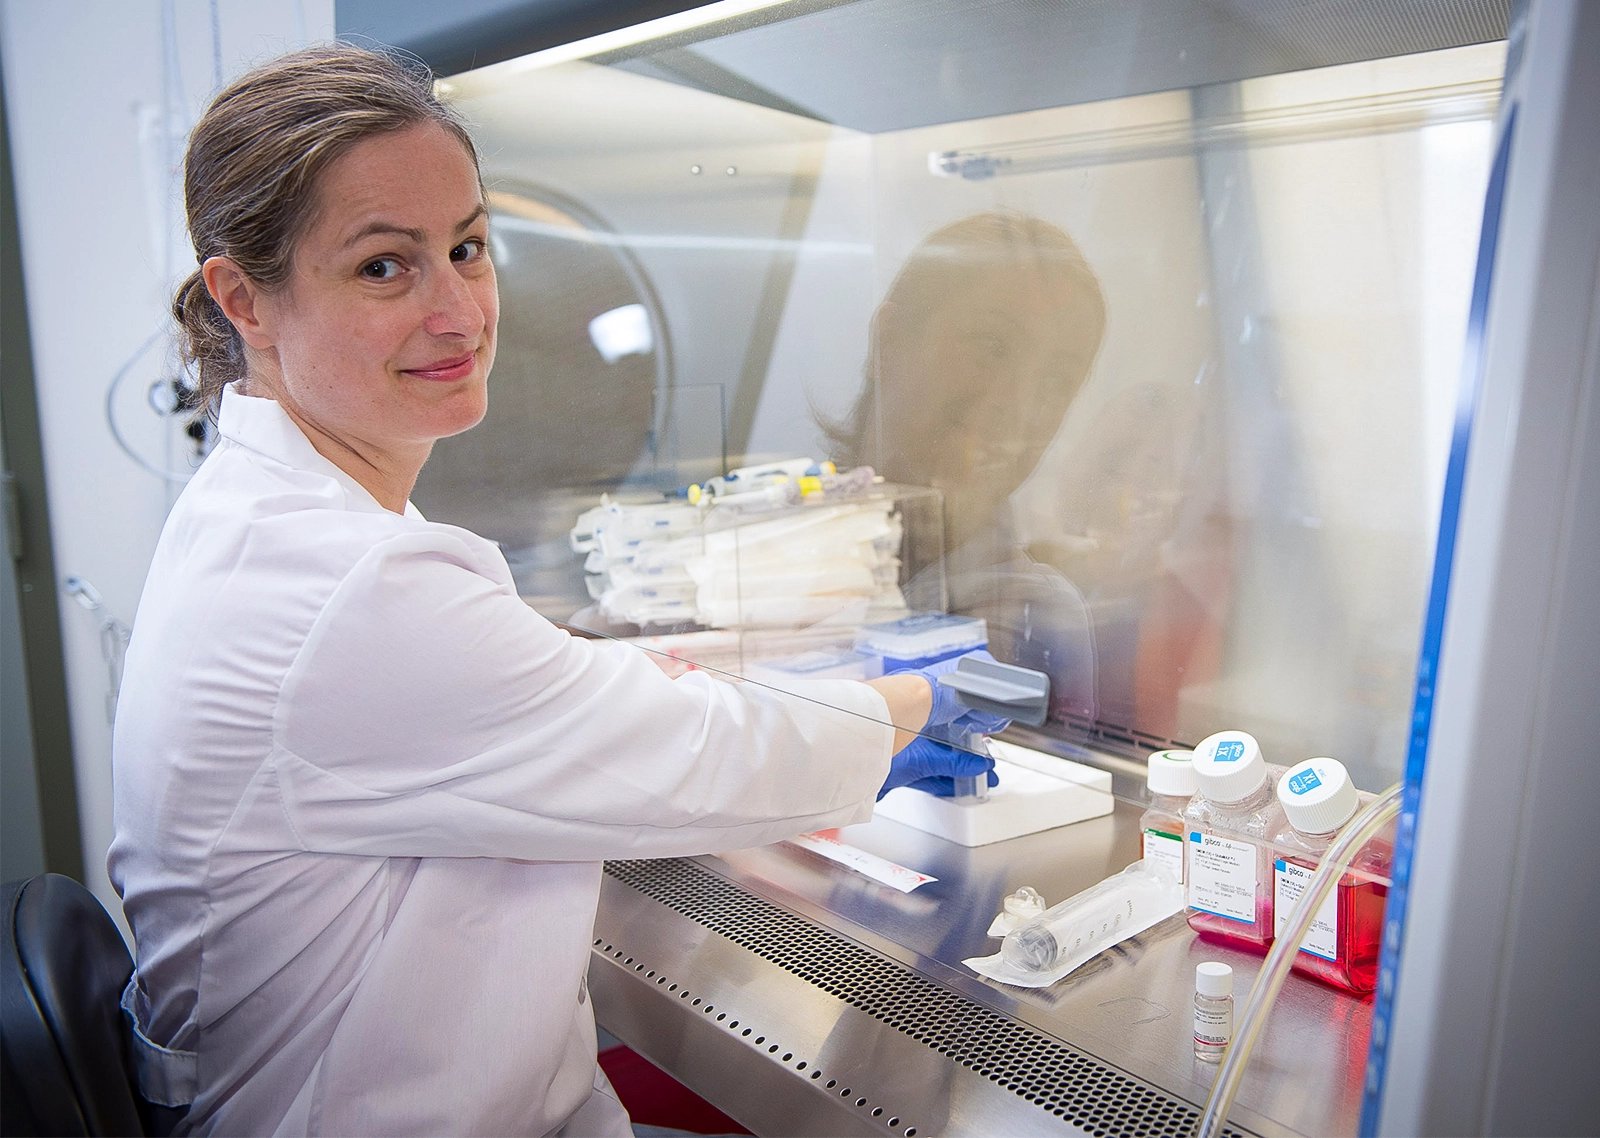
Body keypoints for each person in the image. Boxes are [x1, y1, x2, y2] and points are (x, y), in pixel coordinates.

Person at [107, 45, 997, 1138]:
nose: (459, 310)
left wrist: (701, 679)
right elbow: (695, 755)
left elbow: (527, 696)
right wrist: (908, 707)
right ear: (243, 297)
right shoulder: (343, 582)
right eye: (385, 266)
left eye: (468, 248)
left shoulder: (273, 517)